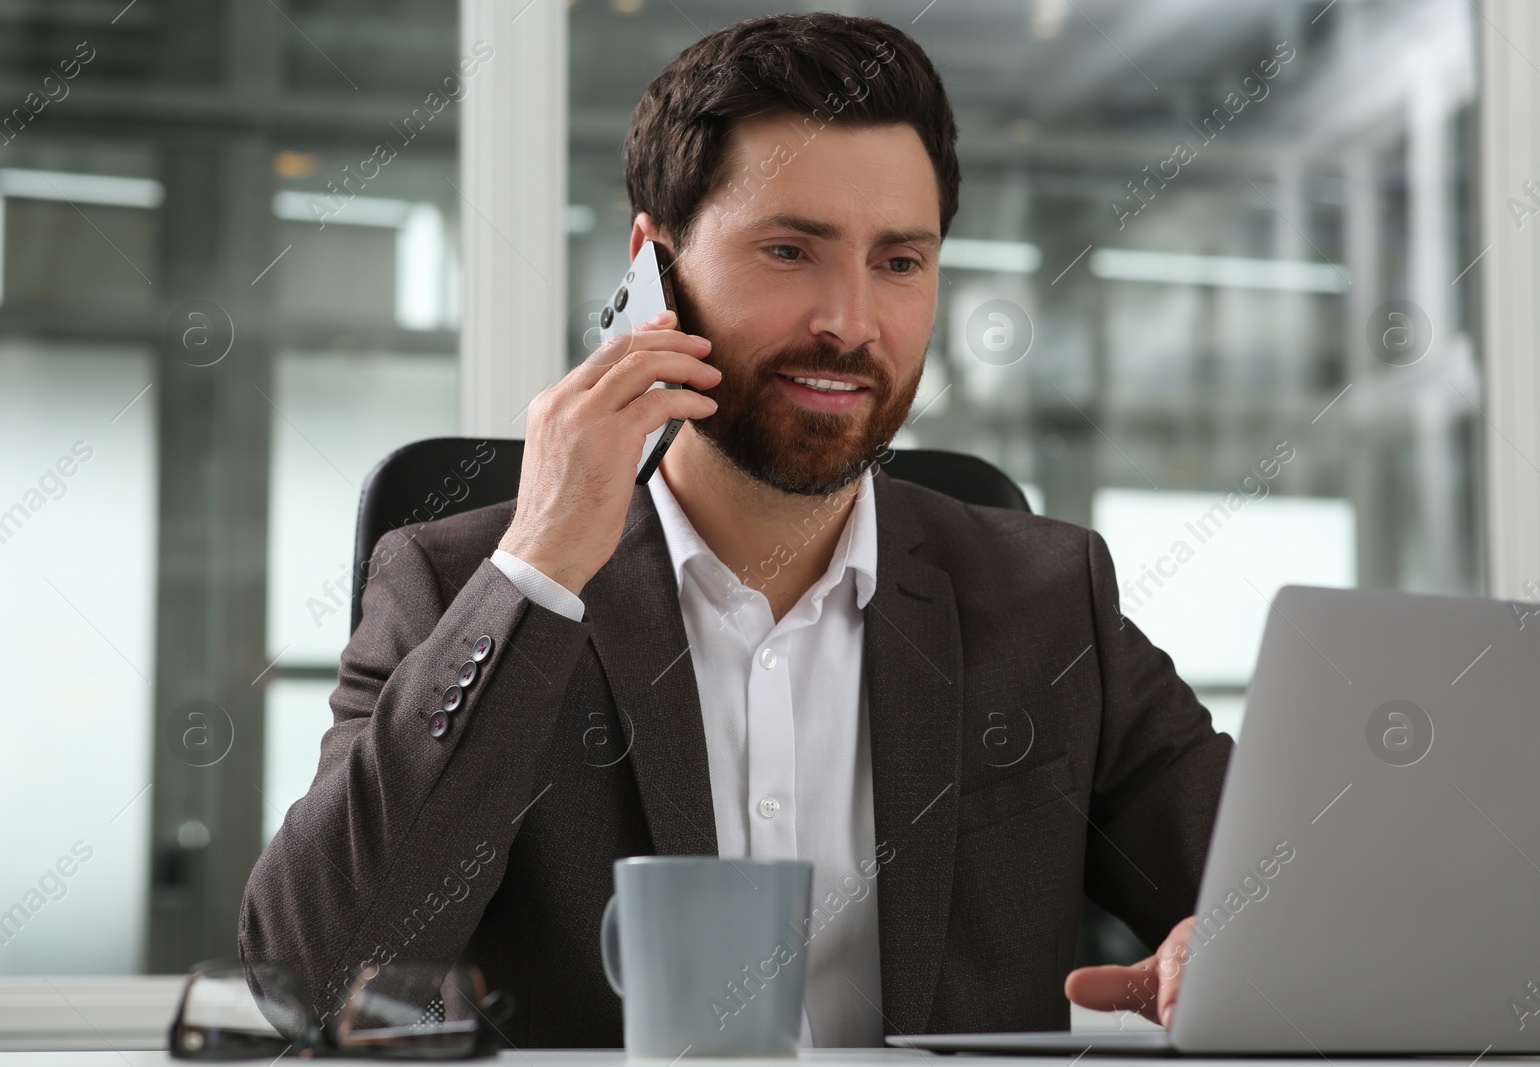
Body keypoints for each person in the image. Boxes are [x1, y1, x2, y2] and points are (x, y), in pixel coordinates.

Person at [239, 11, 1230, 1047]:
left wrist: (1226, 937)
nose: (849, 320)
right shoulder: (454, 585)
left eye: (898, 261)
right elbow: (308, 980)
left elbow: (1295, 888)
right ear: (653, 269)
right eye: (789, 249)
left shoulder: (1043, 600)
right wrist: (535, 573)